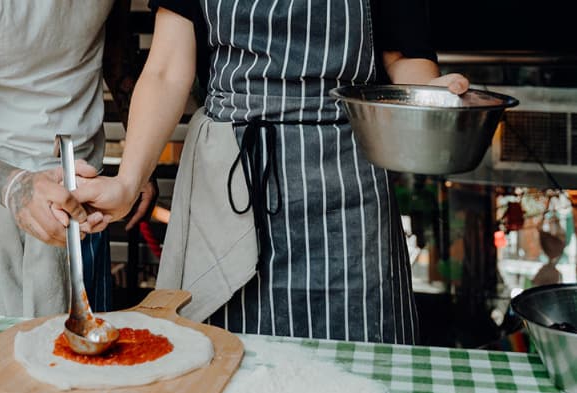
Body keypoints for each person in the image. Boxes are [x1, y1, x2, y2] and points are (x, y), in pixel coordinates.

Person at [76, 0, 469, 343]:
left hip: (347, 181)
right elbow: (165, 70)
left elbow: (402, 56)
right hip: (231, 184)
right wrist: (128, 181)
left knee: (363, 360)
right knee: (225, 358)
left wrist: (429, 94)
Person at [0, 0, 153, 315]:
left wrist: (139, 165)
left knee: (83, 352)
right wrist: (15, 187)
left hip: (82, 189)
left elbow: (116, 47)